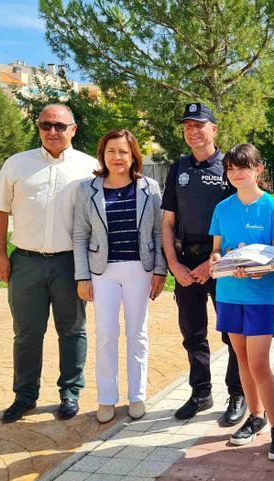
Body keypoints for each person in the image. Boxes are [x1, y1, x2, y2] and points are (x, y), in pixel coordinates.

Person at [0, 104, 98, 423]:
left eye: (60, 126)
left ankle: (70, 393)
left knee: (73, 330)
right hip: (25, 263)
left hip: (70, 264)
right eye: (46, 125)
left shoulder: (90, 168)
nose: (52, 131)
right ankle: (25, 396)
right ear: (38, 127)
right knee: (26, 333)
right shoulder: (17, 164)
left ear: (73, 129)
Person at [72, 129, 168, 423]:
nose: (117, 157)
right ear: (102, 154)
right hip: (103, 271)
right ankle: (107, 398)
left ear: (133, 155)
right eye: (111, 151)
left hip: (140, 269)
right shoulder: (87, 189)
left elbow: (158, 231)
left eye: (123, 151)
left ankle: (137, 396)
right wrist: (82, 276)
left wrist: (160, 270)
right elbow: (80, 235)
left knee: (137, 333)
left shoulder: (149, 187)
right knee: (106, 334)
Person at [161, 103, 245, 427]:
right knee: (192, 331)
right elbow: (167, 222)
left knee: (231, 332)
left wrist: (215, 262)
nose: (192, 130)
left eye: (199, 124)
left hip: (220, 261)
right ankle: (200, 392)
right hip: (184, 261)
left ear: (214, 129)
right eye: (187, 125)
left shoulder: (230, 167)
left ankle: (237, 393)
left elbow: (238, 218)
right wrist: (173, 264)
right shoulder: (177, 168)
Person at [208, 143, 274, 460]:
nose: (236, 173)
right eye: (230, 168)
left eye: (243, 167)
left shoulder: (273, 209)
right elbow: (216, 250)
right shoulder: (222, 208)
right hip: (229, 293)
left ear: (258, 169)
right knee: (241, 360)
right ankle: (254, 417)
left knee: (258, 363)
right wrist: (217, 260)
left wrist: (259, 270)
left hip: (260, 297)